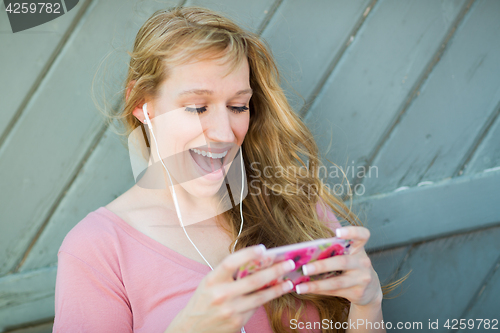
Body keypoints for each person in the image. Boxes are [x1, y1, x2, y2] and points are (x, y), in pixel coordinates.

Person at [53, 6, 388, 333]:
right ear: (143, 105)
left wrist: (368, 305)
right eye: (198, 107)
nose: (226, 134)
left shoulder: (293, 206)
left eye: (238, 106)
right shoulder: (97, 249)